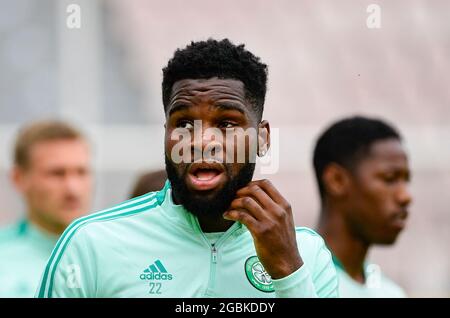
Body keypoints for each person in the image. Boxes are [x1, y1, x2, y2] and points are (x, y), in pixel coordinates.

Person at [37, 39, 338, 298]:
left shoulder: (306, 254)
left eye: (226, 124)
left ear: (262, 137)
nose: (202, 141)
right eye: (183, 124)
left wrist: (288, 272)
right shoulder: (91, 242)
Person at [314, 116, 412, 297]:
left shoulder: (391, 293)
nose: (405, 197)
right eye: (390, 178)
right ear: (336, 180)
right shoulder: (290, 279)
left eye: (406, 181)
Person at [0, 120, 93, 297]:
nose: (73, 189)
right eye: (57, 173)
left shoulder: (114, 251)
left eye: (81, 172)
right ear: (18, 178)